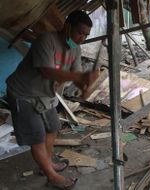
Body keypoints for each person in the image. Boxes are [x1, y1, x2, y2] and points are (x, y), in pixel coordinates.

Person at [6, 10, 98, 189]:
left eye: (86, 35)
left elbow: (77, 77)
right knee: (36, 136)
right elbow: (46, 71)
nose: (82, 38)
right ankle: (52, 176)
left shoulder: (75, 49)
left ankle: (46, 164)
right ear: (68, 26)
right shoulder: (46, 40)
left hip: (45, 95)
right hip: (23, 94)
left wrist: (86, 86)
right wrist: (80, 78)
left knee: (53, 127)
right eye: (80, 32)